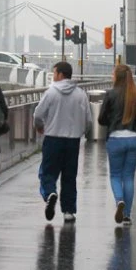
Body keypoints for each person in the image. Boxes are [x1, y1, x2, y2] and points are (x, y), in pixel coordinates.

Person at [33, 61, 92, 223]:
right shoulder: (80, 94)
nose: (53, 77)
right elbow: (88, 120)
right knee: (69, 176)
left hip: (53, 138)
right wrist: (83, 132)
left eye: (54, 73)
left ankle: (50, 193)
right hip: (73, 140)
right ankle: (68, 211)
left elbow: (38, 114)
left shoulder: (51, 92)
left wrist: (40, 127)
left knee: (48, 172)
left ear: (60, 74)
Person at [98, 64, 136, 225]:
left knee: (115, 175)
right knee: (128, 176)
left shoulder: (110, 94)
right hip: (134, 139)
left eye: (113, 73)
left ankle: (119, 200)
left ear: (117, 76)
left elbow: (101, 119)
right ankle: (127, 214)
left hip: (115, 138)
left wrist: (112, 121)